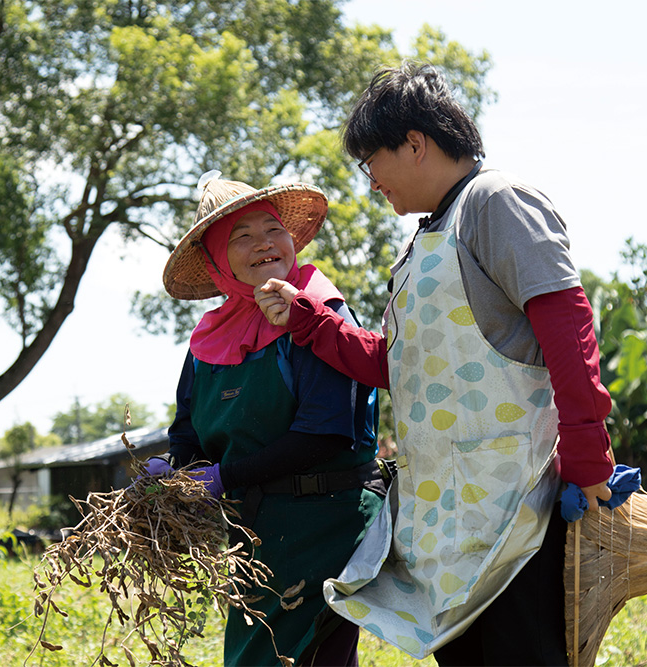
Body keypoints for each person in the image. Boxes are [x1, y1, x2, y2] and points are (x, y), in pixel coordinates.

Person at [254, 62, 615, 666]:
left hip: (512, 506)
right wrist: (310, 322)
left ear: (415, 144)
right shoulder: (426, 239)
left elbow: (568, 327)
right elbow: (398, 368)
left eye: (372, 164)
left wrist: (587, 458)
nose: (373, 184)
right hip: (448, 519)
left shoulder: (498, 202)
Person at [153, 170, 387, 667]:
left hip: (328, 522)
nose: (264, 243)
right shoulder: (208, 338)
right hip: (256, 536)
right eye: (241, 236)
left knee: (305, 656)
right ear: (218, 263)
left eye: (271, 228)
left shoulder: (317, 310)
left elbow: (324, 432)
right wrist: (177, 470)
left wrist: (225, 476)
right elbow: (189, 429)